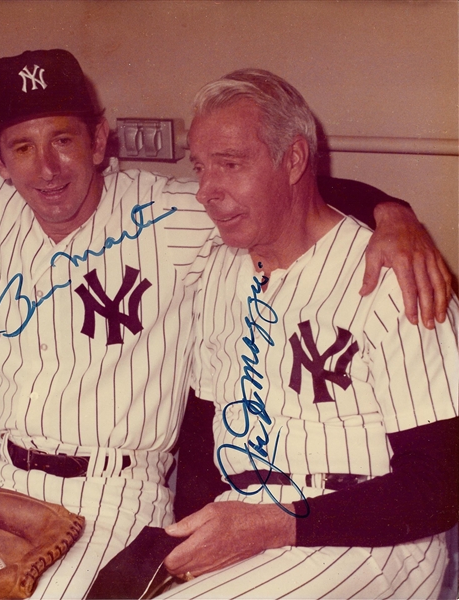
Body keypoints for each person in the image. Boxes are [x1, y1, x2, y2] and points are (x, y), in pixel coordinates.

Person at [0, 50, 451, 600]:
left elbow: (284, 197)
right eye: (22, 147)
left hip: (116, 490)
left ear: (102, 138)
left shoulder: (180, 217)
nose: (47, 168)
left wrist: (395, 214)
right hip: (3, 478)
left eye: (65, 139)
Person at [152, 69, 458, 599]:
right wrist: (182, 549)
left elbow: (440, 485)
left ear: (293, 160)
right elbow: (204, 442)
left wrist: (277, 524)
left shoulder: (395, 277)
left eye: (230, 164)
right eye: (200, 168)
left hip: (371, 542)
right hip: (245, 520)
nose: (205, 191)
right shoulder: (221, 271)